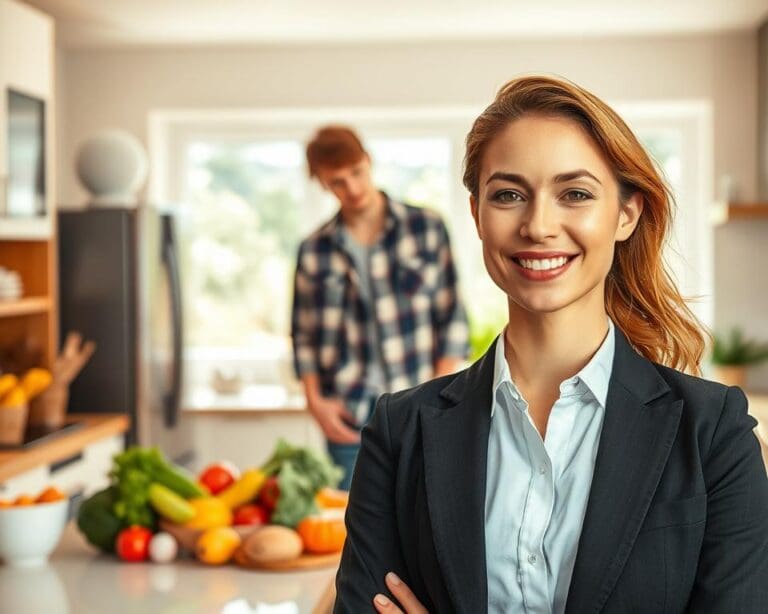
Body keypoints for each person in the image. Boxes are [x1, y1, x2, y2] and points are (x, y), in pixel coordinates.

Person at [334, 76, 768, 613]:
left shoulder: (714, 433)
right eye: (509, 195)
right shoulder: (399, 431)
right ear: (476, 214)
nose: (538, 226)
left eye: (575, 194)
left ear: (626, 214)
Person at [291, 126, 469, 491]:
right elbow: (303, 335)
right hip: (347, 417)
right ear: (322, 183)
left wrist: (436, 400)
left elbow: (452, 319)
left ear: (368, 160)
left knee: (424, 519)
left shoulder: (426, 228)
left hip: (418, 408)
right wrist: (315, 402)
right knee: (350, 524)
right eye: (337, 182)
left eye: (356, 172)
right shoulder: (313, 250)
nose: (352, 188)